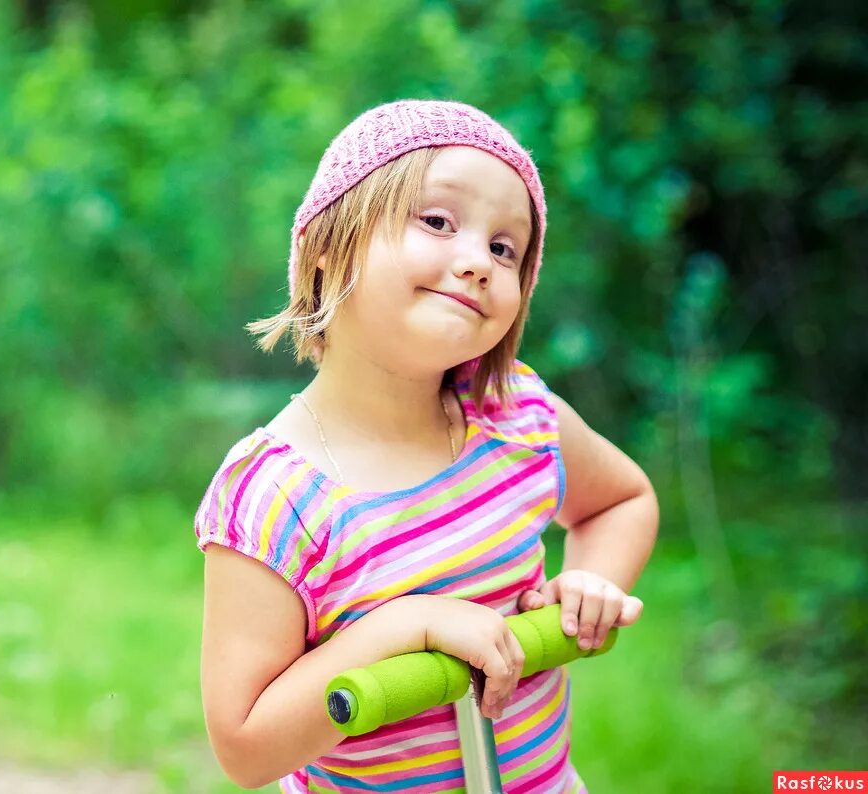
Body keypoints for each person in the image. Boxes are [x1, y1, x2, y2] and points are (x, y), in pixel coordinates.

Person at [193, 99, 659, 793]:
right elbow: (246, 747)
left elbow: (621, 500)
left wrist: (587, 587)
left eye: (505, 248)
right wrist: (407, 625)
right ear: (326, 247)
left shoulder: (517, 418)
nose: (477, 262)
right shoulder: (273, 496)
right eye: (438, 221)